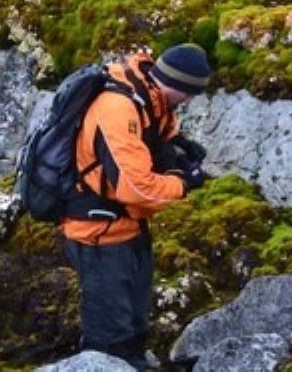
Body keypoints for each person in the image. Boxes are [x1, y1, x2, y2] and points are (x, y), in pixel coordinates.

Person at [60, 43, 213, 369]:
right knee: (109, 334)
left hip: (128, 227)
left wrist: (177, 149)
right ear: (179, 86)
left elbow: (160, 135)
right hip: (98, 233)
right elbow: (135, 188)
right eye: (190, 94)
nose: (190, 102)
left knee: (134, 323)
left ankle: (132, 361)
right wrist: (183, 184)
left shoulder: (151, 97)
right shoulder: (119, 109)